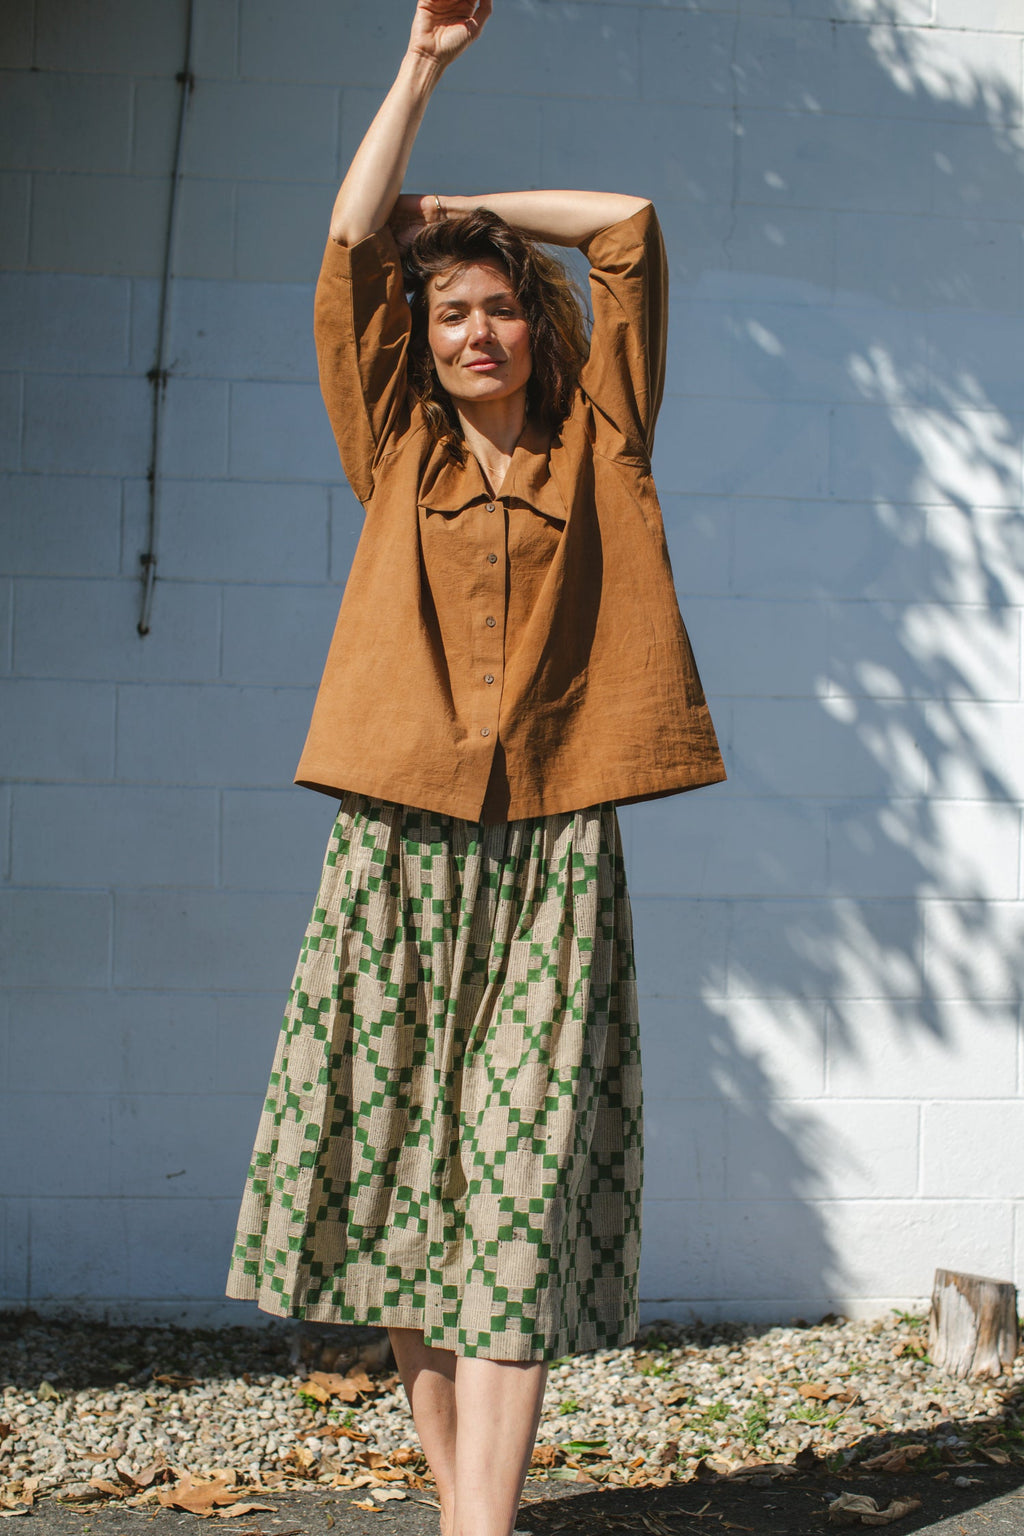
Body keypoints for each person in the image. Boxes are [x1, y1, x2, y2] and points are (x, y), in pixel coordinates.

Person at [226, 3, 725, 1533]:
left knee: (510, 1198)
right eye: (448, 315)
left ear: (533, 321)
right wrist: (421, 70)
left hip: (554, 854)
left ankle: (480, 1525)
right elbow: (347, 242)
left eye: (497, 309)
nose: (472, 333)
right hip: (395, 848)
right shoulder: (397, 451)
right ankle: (465, 1516)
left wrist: (487, 213)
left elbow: (630, 230)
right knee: (400, 1196)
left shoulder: (604, 441)